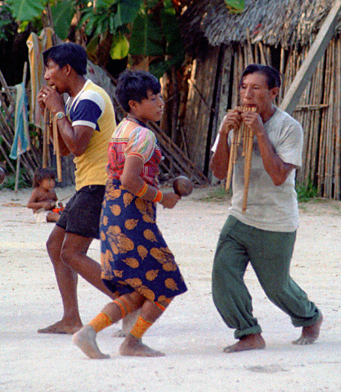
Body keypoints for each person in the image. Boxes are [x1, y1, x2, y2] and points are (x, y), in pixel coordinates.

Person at [73, 70, 187, 359]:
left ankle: (89, 332)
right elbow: (130, 180)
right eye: (153, 98)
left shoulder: (121, 129)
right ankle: (132, 341)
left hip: (112, 215)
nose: (161, 102)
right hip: (133, 218)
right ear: (134, 105)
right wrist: (163, 198)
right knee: (166, 283)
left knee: (139, 289)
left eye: (159, 96)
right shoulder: (143, 135)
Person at [210, 63, 322, 353]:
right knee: (223, 276)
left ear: (273, 93)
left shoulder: (288, 127)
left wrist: (260, 133)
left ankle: (309, 316)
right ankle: (248, 333)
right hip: (240, 215)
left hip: (276, 222)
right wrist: (223, 134)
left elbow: (278, 176)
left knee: (276, 286)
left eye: (256, 88)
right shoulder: (233, 124)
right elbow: (220, 173)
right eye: (244, 87)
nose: (247, 95)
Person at [37, 42, 116, 334]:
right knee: (55, 245)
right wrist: (55, 112)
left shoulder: (89, 99)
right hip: (89, 183)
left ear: (67, 69)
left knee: (70, 252)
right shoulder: (79, 99)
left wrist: (58, 111)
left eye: (50, 68)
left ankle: (126, 302)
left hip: (98, 184)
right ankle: (71, 317)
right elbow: (67, 150)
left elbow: (78, 146)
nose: (47, 77)